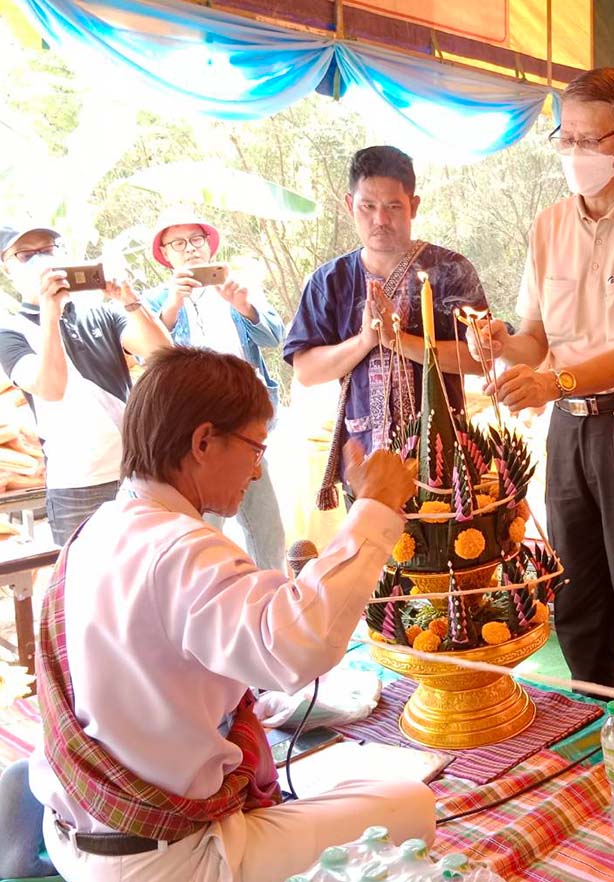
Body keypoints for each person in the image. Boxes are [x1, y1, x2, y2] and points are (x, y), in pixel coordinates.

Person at [28, 347, 434, 882]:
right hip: (161, 859)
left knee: (340, 785)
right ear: (203, 442)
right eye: (254, 447)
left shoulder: (99, 527)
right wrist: (375, 507)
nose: (257, 469)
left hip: (78, 830)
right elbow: (297, 646)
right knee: (411, 805)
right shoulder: (178, 547)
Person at [467, 68, 614, 711]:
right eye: (565, 138)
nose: (574, 153)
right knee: (574, 589)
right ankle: (590, 716)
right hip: (568, 426)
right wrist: (500, 341)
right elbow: (535, 337)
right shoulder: (548, 226)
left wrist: (551, 381)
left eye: (589, 140)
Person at [284, 145, 486, 503]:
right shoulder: (330, 281)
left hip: (443, 461)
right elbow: (306, 371)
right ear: (349, 205)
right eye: (367, 206)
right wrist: (365, 341)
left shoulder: (450, 270)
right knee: (370, 541)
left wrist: (400, 341)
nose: (380, 219)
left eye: (393, 206)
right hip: (365, 464)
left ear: (414, 206)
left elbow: (479, 360)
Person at [0, 223, 172, 545]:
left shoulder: (103, 314)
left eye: (47, 250)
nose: (40, 260)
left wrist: (131, 302)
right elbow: (51, 387)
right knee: (86, 576)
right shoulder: (10, 333)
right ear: (7, 268)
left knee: (155, 571)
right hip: (76, 487)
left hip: (139, 474)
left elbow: (163, 354)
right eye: (25, 255)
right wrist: (50, 314)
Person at [143, 209, 287, 570]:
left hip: (246, 421)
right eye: (179, 243)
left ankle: (273, 591)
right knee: (204, 528)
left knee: (267, 526)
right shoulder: (157, 300)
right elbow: (150, 355)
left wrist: (244, 306)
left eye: (196, 239)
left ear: (209, 245)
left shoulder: (233, 288)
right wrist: (173, 305)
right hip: (194, 431)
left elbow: (275, 337)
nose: (190, 249)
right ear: (165, 254)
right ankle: (205, 592)